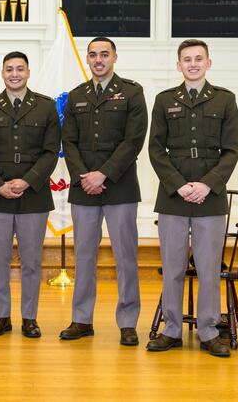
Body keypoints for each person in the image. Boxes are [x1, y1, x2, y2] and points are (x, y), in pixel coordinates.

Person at [146, 39, 238, 357]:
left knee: (208, 269)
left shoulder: (225, 100)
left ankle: (210, 330)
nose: (193, 63)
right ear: (178, 65)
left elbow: (232, 150)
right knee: (173, 267)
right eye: (186, 59)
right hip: (173, 197)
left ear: (208, 63)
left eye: (198, 58)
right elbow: (156, 149)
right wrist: (178, 184)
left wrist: (207, 184)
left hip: (210, 198)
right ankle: (171, 329)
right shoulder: (164, 100)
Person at [60, 37, 148, 346]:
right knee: (84, 256)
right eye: (94, 54)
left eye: (104, 54)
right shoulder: (76, 96)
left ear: (114, 58)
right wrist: (85, 176)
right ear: (87, 59)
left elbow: (133, 141)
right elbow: (68, 141)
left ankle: (127, 321)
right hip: (84, 187)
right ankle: (82, 319)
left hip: (120, 186)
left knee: (126, 257)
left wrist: (103, 174)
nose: (99, 59)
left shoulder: (132, 92)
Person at [0, 51, 60, 338]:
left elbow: (50, 153)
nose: (14, 73)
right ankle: (1, 316)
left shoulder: (45, 107)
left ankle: (29, 317)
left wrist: (26, 182)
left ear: (28, 72)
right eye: (9, 69)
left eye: (20, 69)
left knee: (32, 261)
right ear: (2, 73)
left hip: (33, 196)